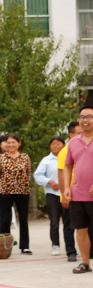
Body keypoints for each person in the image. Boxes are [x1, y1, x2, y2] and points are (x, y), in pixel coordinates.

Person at [64, 106, 93, 274]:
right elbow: (68, 166)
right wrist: (67, 187)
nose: (85, 120)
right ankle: (85, 263)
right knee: (80, 229)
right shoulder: (73, 142)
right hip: (78, 194)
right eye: (82, 117)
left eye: (89, 116)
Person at [0, 133, 32, 255]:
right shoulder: (1, 158)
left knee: (23, 218)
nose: (11, 145)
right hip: (6, 191)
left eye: (13, 142)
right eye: (8, 142)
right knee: (5, 218)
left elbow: (28, 173)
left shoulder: (25, 157)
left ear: (19, 143)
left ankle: (25, 246)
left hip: (22, 191)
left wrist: (20, 183)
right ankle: (4, 245)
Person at [33, 137, 67, 256]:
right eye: (52, 144)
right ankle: (55, 245)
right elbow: (37, 175)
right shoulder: (46, 160)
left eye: (58, 144)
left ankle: (70, 246)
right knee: (54, 221)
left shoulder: (69, 157)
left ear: (64, 145)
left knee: (68, 221)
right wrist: (49, 181)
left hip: (67, 194)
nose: (55, 146)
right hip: (52, 194)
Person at [58, 121, 86, 262]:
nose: (83, 134)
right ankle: (71, 252)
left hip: (87, 194)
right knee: (70, 225)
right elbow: (62, 174)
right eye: (79, 132)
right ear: (71, 134)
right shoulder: (65, 151)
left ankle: (89, 252)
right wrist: (64, 194)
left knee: (87, 226)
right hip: (71, 194)